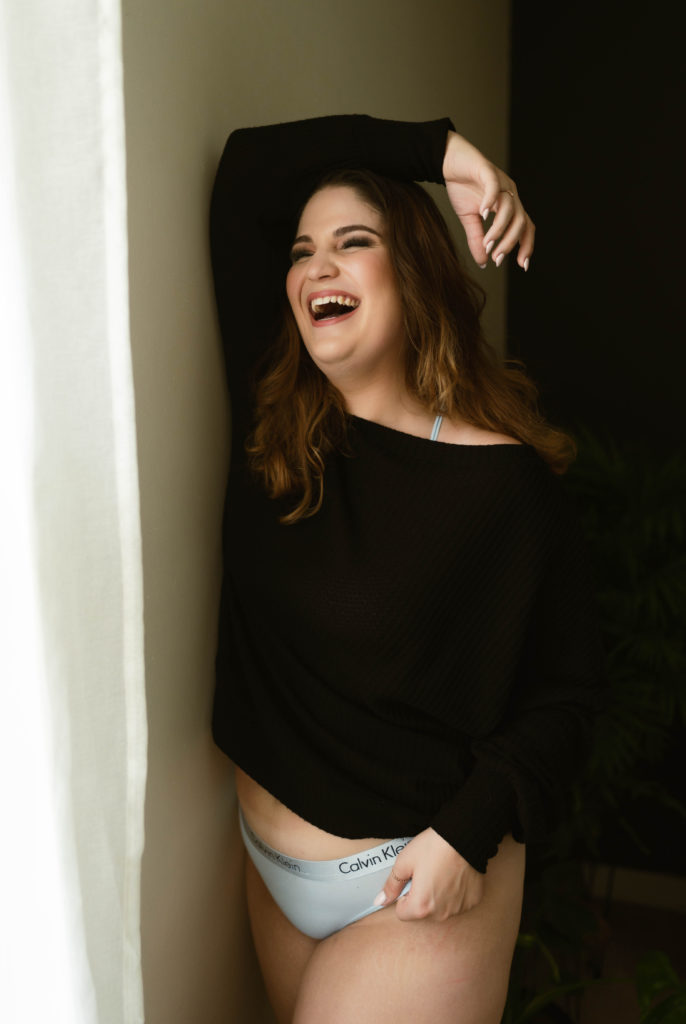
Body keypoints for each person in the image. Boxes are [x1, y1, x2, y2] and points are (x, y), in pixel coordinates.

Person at [209, 115, 603, 1024]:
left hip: (414, 880)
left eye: (355, 242)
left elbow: (570, 694)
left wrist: (469, 833)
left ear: (415, 274)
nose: (318, 267)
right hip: (269, 872)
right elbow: (247, 173)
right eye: (303, 251)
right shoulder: (271, 422)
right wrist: (446, 155)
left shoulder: (502, 485)